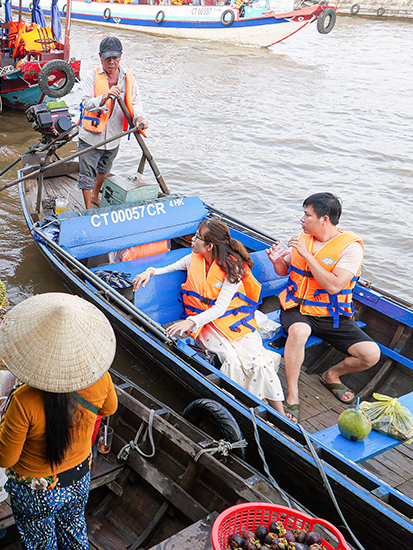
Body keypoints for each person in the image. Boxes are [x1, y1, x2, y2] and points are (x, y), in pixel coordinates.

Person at [0, 293, 118, 550]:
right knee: (74, 527)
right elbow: (110, 408)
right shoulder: (99, 378)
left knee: (41, 542)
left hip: (36, 491)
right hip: (79, 478)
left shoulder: (24, 399)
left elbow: (5, 459)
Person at [133, 220, 286, 417]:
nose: (192, 240)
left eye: (197, 237)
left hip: (233, 322)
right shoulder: (193, 259)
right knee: (231, 359)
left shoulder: (233, 269)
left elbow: (221, 308)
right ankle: (239, 408)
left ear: (209, 246)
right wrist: (149, 271)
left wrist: (190, 321)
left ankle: (279, 415)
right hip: (205, 325)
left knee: (259, 360)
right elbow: (167, 268)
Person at [269, 193, 381, 422]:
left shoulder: (351, 248)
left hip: (332, 314)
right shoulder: (303, 239)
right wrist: (277, 261)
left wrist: (307, 255)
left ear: (324, 219)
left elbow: (333, 286)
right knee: (299, 331)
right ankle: (292, 395)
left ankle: (331, 375)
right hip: (297, 308)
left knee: (371, 355)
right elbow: (285, 271)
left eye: (307, 214)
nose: (302, 219)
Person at [77, 36, 148, 210]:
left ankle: (95, 195)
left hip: (114, 136)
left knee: (104, 168)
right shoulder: (91, 75)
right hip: (91, 136)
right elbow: (86, 102)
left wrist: (139, 117)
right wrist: (105, 96)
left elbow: (136, 101)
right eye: (107, 58)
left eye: (115, 58)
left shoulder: (128, 77)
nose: (111, 62)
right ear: (100, 56)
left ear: (121, 56)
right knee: (87, 174)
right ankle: (87, 208)